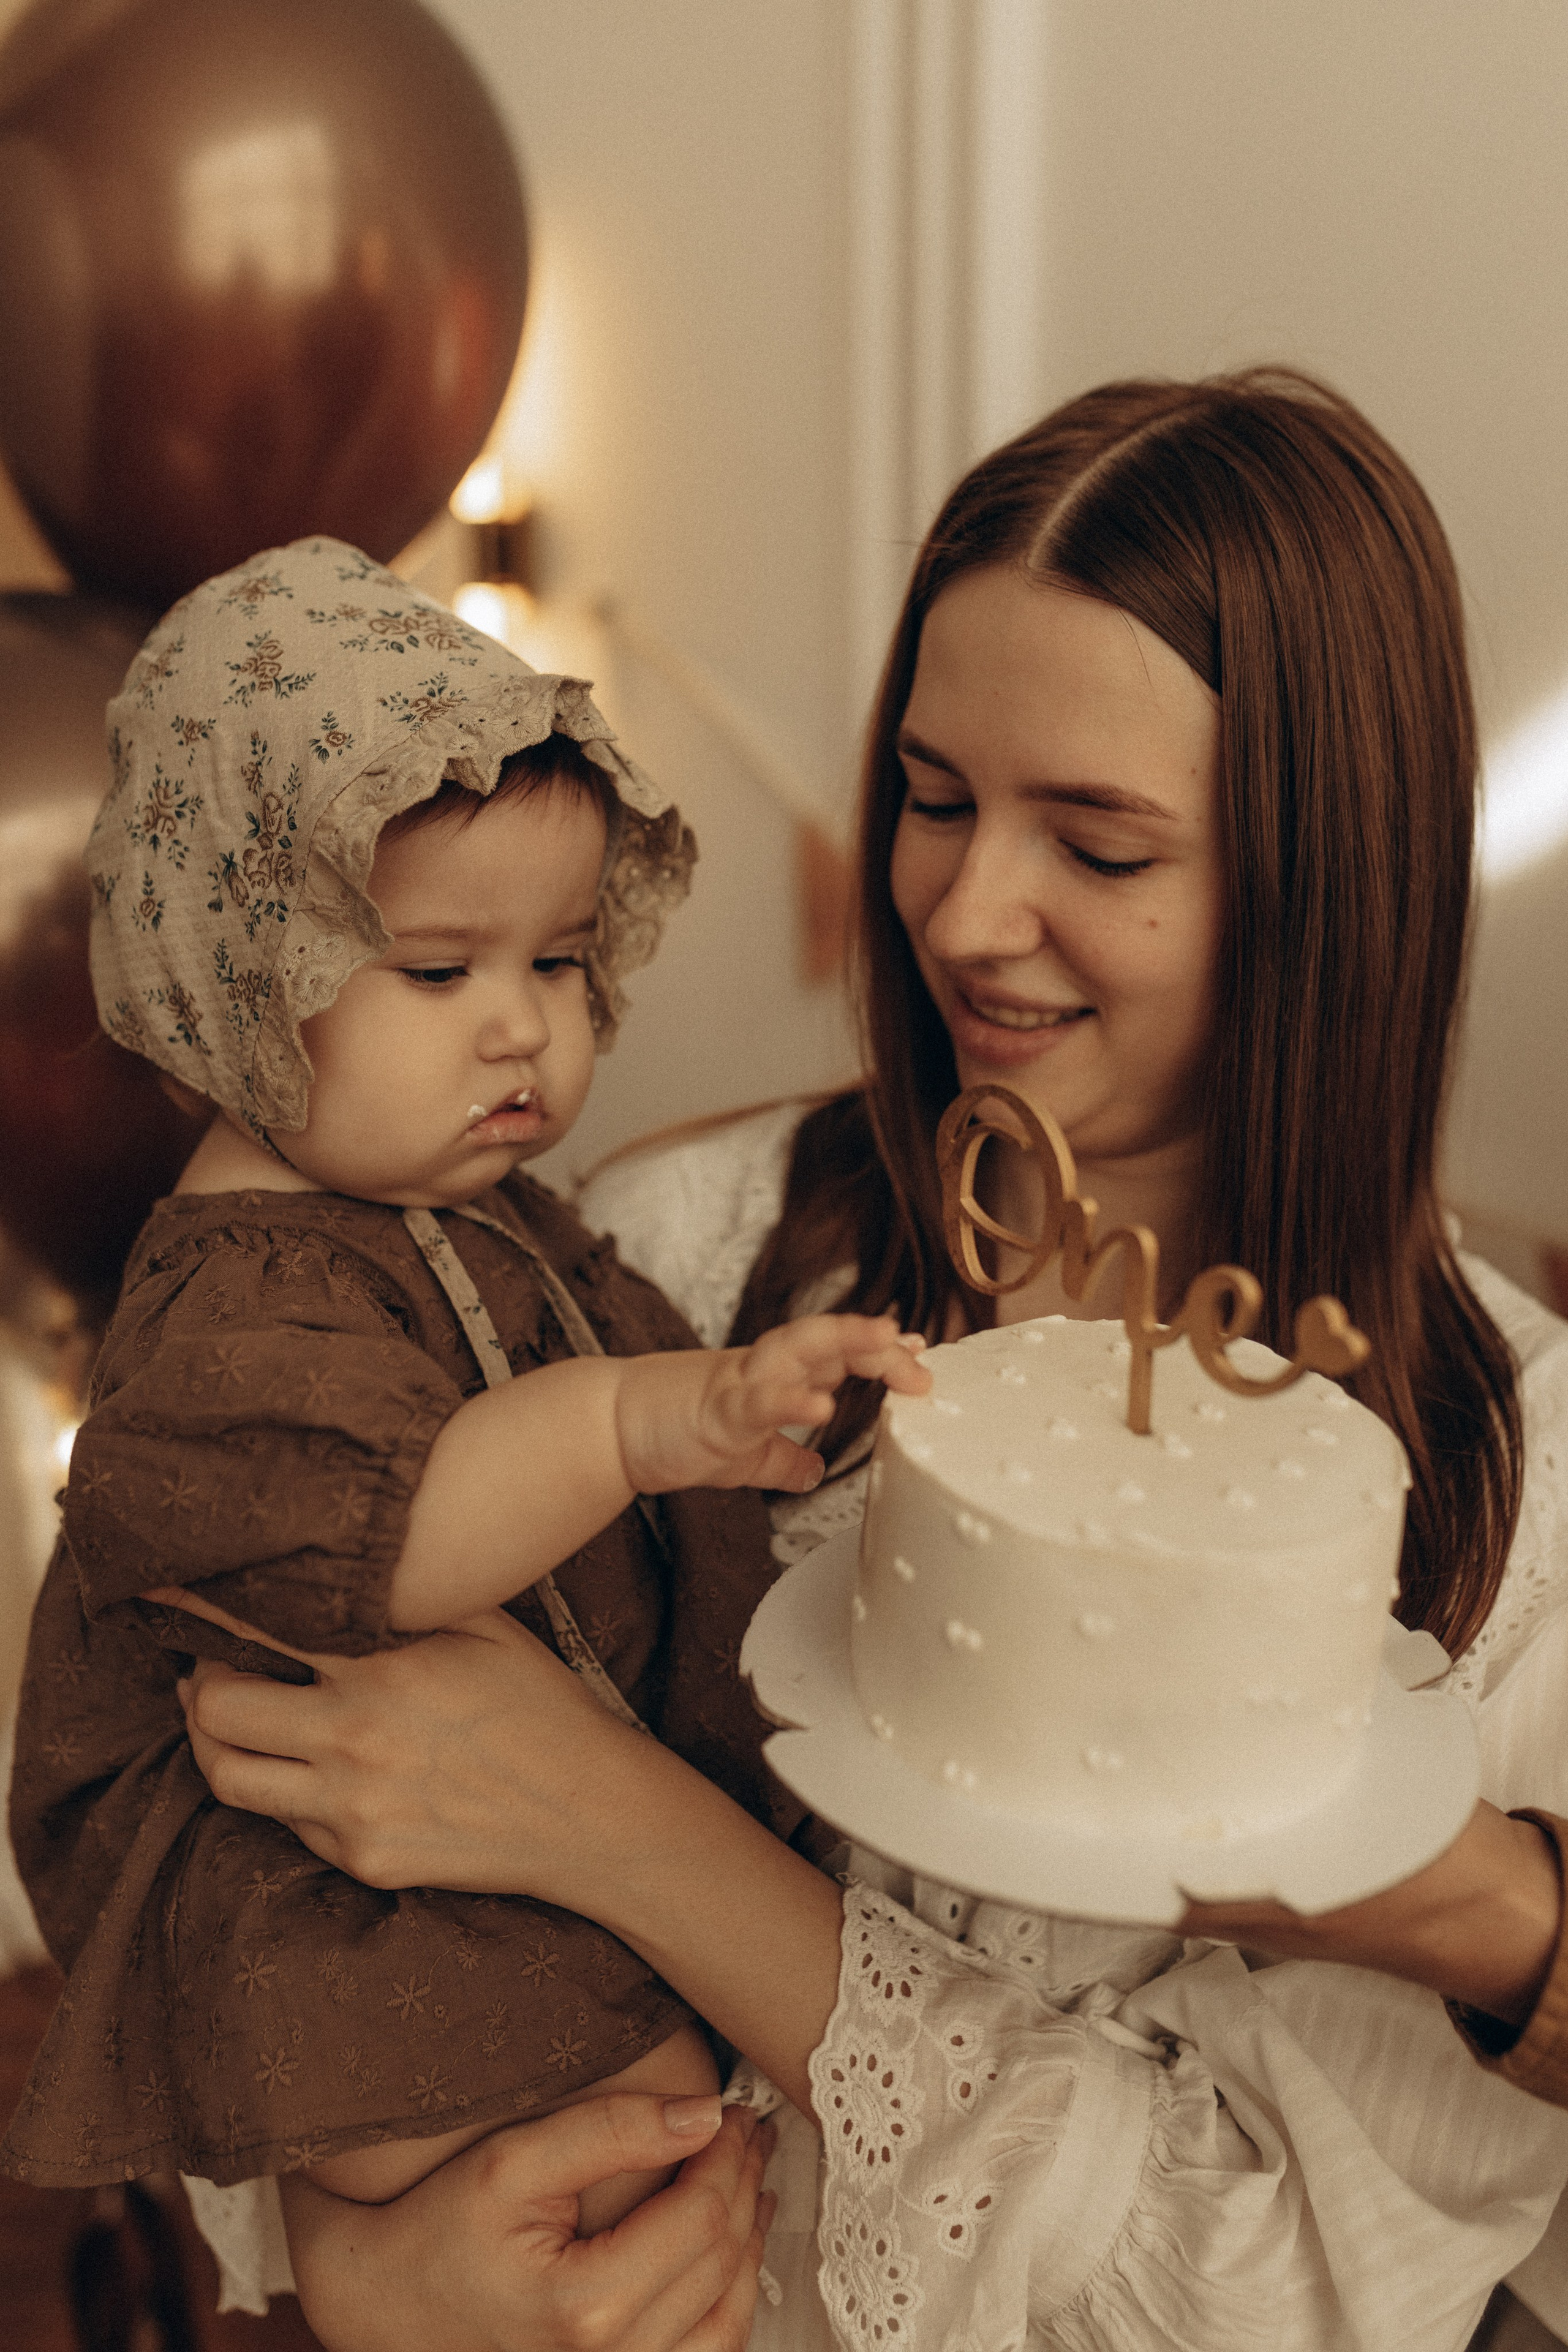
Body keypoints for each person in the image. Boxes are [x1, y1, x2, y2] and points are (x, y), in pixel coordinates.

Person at [181, 375, 1568, 2348]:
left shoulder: (1508, 1495)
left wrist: (624, 1831)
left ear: (1323, 881)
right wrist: (346, 2255)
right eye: (932, 798)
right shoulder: (682, 1256)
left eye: (1097, 844)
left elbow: (1251, 2300)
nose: (964, 912)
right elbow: (230, 1837)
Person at [1, 538, 927, 2239]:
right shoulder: (234, 1302)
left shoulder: (477, 1213)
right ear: (241, 990)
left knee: (686, 2094)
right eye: (443, 972)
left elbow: (603, 1357)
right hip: (340, 1898)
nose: (522, 1030)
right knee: (645, 2106)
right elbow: (405, 1537)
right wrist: (653, 1418)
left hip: (507, 1815)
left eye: (559, 963)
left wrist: (765, 1418)